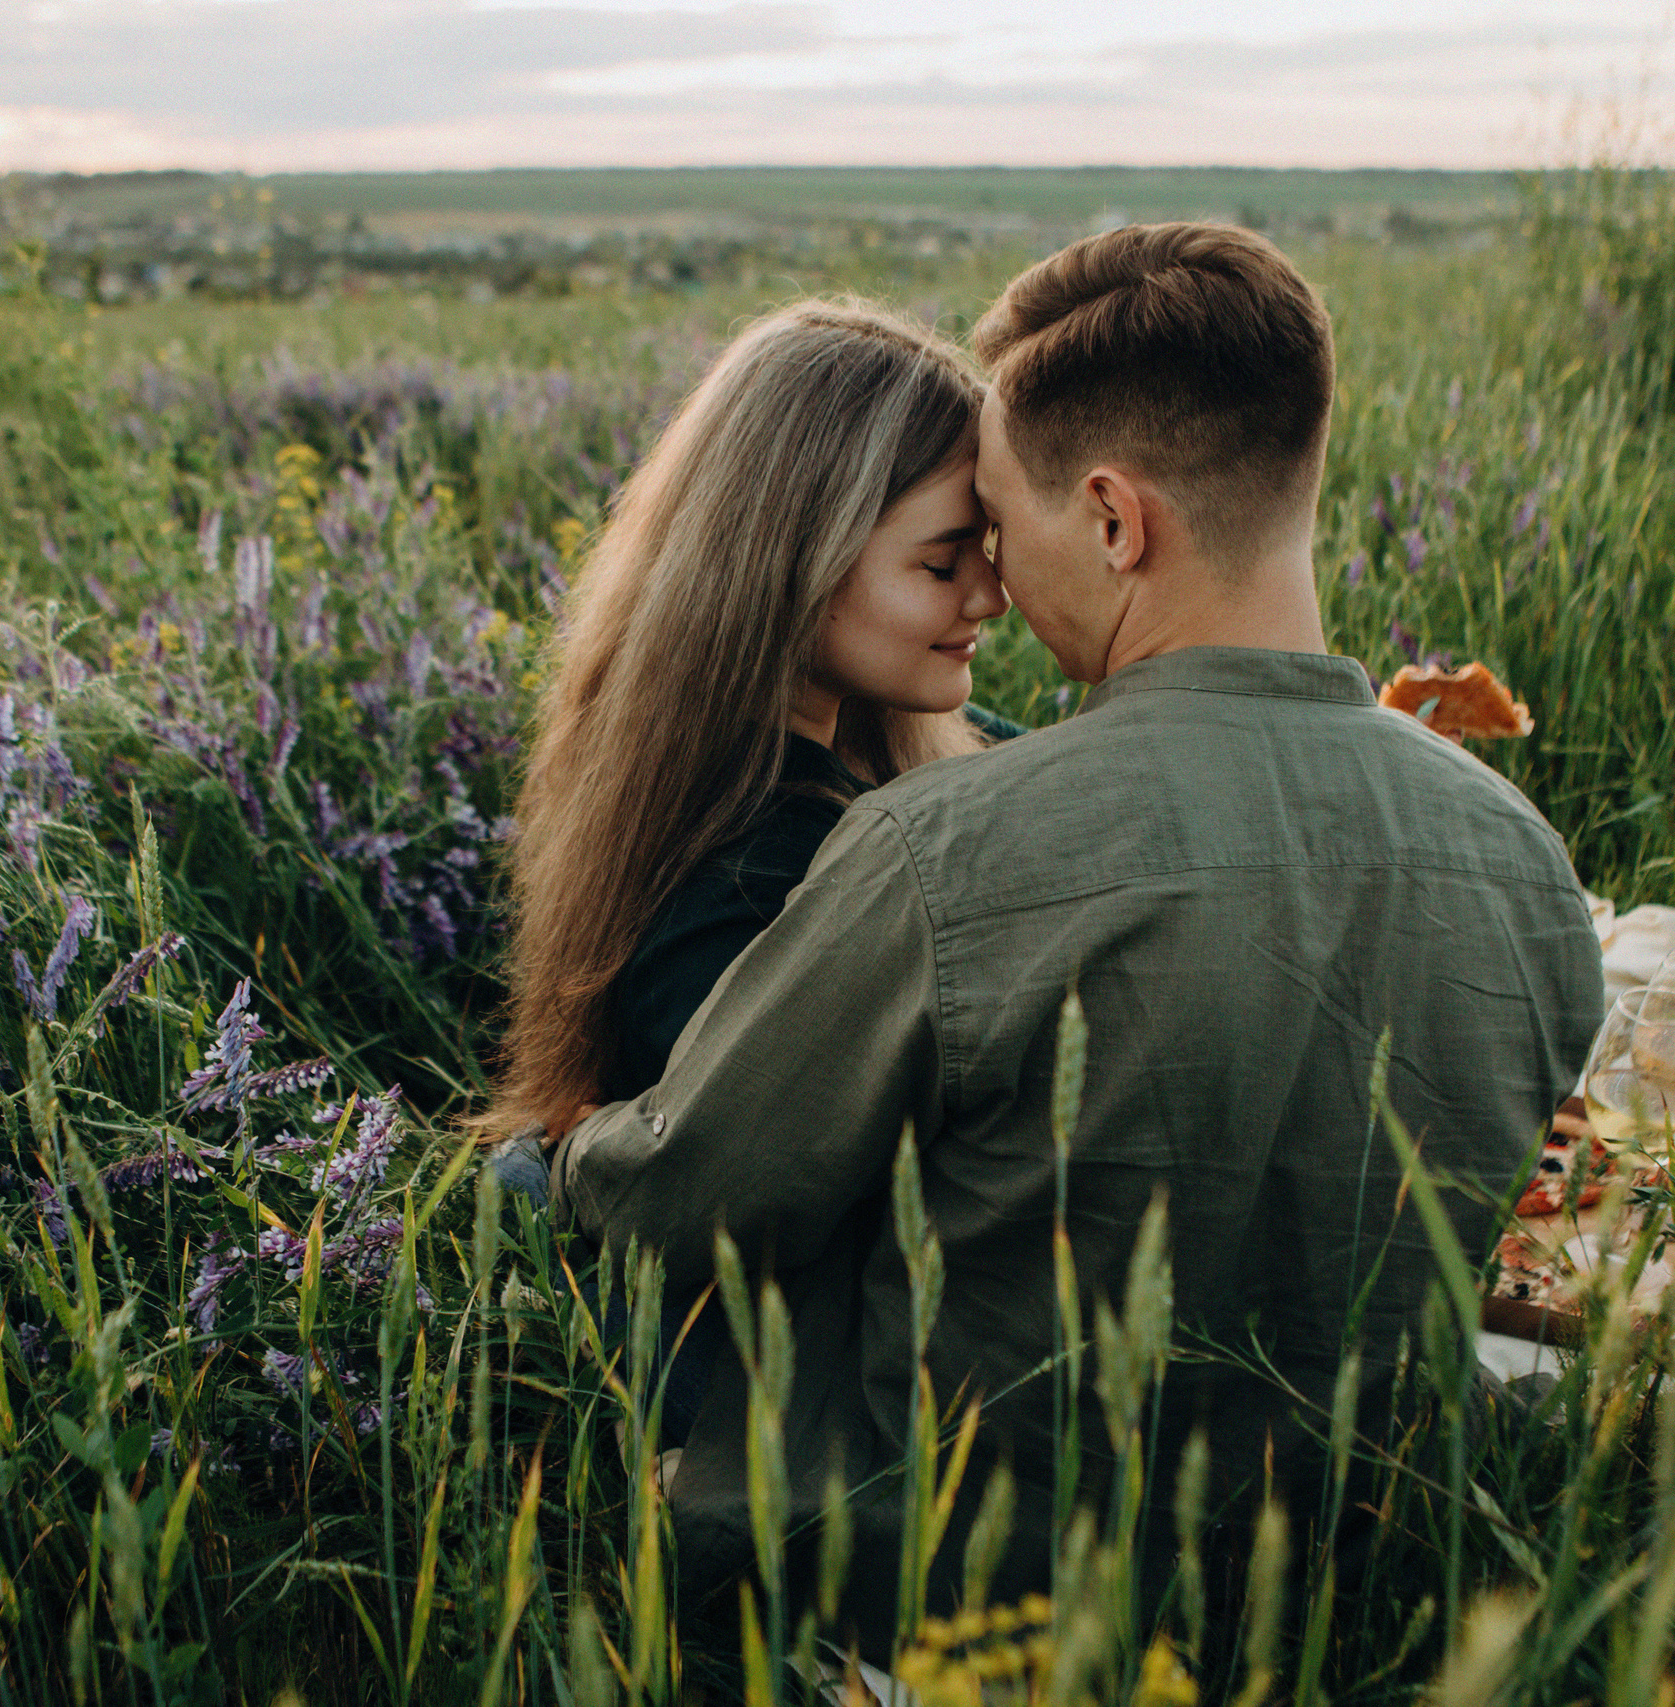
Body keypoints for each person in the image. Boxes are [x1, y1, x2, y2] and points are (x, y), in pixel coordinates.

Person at [549, 224, 1608, 1653]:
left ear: (1113, 520)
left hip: (955, 1598)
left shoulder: (940, 853)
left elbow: (682, 1197)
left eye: (1004, 519)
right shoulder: (1530, 867)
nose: (993, 579)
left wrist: (527, 1164)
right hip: (1352, 1580)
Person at [480, 298, 1019, 1441]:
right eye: (941, 562)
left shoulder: (733, 763)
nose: (988, 595)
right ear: (797, 561)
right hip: (805, 1415)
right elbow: (774, 1210)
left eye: (988, 548)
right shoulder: (744, 876)